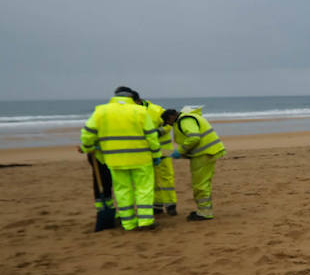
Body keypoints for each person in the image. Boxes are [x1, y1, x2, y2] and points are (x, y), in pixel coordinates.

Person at [79, 86, 161, 231]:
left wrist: (86, 147)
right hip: (141, 158)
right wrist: (156, 155)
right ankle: (145, 222)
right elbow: (151, 136)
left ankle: (128, 223)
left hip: (115, 160)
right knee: (144, 189)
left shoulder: (101, 111)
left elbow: (88, 133)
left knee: (122, 190)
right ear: (131, 97)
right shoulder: (140, 111)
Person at [161, 106, 225, 221]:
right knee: (204, 183)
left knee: (200, 185)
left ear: (171, 118)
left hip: (204, 155)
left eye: (168, 122)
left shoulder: (184, 120)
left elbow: (194, 138)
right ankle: (205, 210)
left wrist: (180, 151)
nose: (169, 125)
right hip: (207, 153)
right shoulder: (189, 117)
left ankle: (204, 213)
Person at [138, 96, 178, 216]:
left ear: (138, 100)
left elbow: (169, 124)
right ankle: (157, 205)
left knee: (167, 177)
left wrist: (156, 133)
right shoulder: (132, 111)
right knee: (152, 179)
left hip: (164, 150)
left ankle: (171, 205)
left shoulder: (156, 110)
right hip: (147, 151)